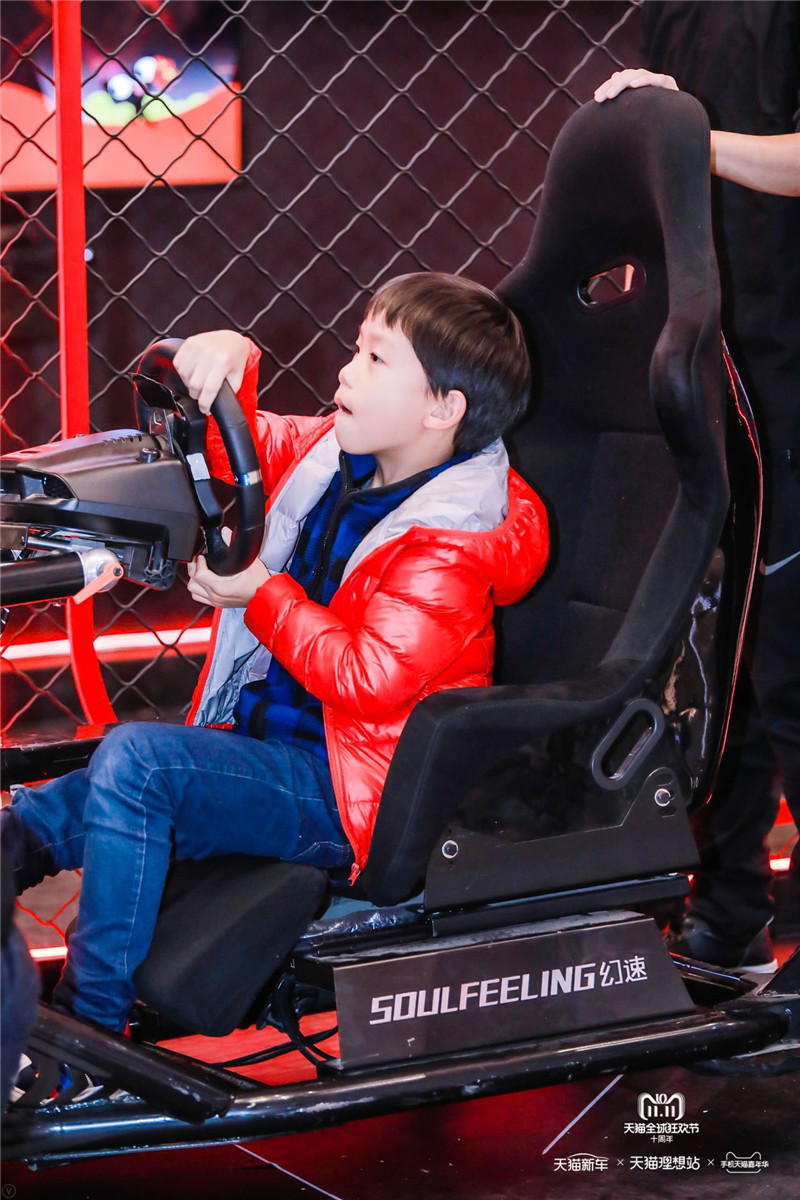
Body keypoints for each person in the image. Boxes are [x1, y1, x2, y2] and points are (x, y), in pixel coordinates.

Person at [1, 272, 549, 1036]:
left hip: (348, 795)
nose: (346, 372)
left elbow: (369, 677)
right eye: (356, 349)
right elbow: (233, 449)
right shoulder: (338, 456)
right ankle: (12, 851)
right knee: (106, 781)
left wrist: (260, 595)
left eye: (375, 359)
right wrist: (232, 359)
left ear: (442, 409)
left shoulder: (449, 542)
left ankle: (88, 1029)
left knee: (140, 764)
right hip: (280, 748)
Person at [594, 0, 800, 974]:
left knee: (790, 657)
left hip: (789, 359)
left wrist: (687, 143)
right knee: (721, 649)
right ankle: (727, 913)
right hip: (711, 357)